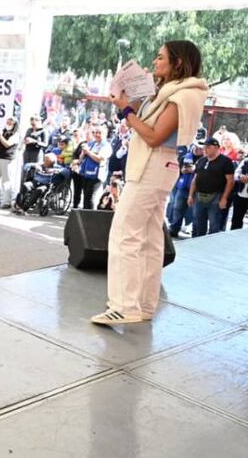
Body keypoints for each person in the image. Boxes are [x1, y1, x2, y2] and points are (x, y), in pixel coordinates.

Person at [93, 40, 208, 325]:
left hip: (152, 166)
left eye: (161, 58)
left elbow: (154, 136)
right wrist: (128, 98)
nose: (155, 62)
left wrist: (127, 112)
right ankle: (142, 305)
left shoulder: (181, 95)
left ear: (178, 63)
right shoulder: (173, 92)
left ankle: (123, 305)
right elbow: (144, 122)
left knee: (125, 234)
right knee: (149, 238)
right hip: (158, 168)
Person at [188, 138, 235, 238]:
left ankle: (212, 247)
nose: (205, 149)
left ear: (217, 147)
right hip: (199, 195)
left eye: (208, 147)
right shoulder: (201, 160)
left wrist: (224, 198)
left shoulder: (226, 161)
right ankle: (197, 243)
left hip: (216, 196)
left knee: (214, 224)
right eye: (205, 147)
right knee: (198, 222)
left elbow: (230, 181)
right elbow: (195, 179)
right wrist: (190, 195)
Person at [0, 118, 19, 208]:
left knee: (6, 181)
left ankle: (6, 202)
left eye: (11, 121)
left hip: (7, 160)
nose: (8, 122)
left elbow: (7, 144)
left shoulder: (16, 134)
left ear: (14, 124)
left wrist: (0, 136)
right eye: (8, 121)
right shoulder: (3, 131)